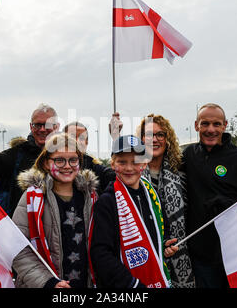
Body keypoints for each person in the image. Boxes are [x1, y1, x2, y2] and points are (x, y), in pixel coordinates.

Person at [181, 103, 237, 288]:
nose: (210, 129)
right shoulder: (188, 156)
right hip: (203, 254)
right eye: (205, 124)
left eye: (216, 124)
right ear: (196, 126)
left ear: (225, 125)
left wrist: (231, 204)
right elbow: (151, 166)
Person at [90, 135, 178, 288]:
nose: (129, 168)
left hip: (155, 279)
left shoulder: (151, 194)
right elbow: (101, 253)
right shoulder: (107, 201)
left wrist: (164, 244)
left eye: (136, 161)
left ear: (144, 164)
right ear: (112, 164)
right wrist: (131, 284)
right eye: (122, 162)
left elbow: (159, 230)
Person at [12, 133, 98, 288]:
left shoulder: (91, 197)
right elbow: (18, 248)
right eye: (59, 160)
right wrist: (48, 283)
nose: (67, 166)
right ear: (46, 163)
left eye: (73, 159)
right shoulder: (32, 199)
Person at [0, 96, 60, 215]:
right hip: (22, 231)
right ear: (31, 127)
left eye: (47, 125)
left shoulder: (71, 156)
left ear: (56, 126)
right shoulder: (18, 154)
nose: (42, 129)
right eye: (38, 125)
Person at [136, 114, 196, 288]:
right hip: (146, 257)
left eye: (160, 135)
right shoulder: (132, 173)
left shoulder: (183, 172)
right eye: (148, 135)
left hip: (181, 255)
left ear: (167, 139)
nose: (154, 140)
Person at [64, 121, 116, 194]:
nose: (77, 141)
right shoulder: (53, 168)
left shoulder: (97, 171)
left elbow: (119, 176)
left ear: (87, 142)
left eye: (81, 138)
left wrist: (116, 138)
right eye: (72, 137)